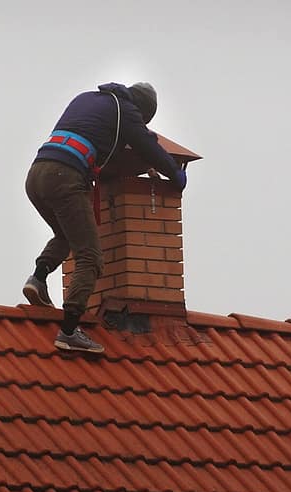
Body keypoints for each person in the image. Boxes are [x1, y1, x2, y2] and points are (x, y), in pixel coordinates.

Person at [23, 82, 187, 353]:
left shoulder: (88, 99)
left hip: (37, 175)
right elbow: (147, 145)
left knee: (67, 235)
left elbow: (99, 142)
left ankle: (38, 280)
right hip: (65, 178)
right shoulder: (125, 110)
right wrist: (175, 174)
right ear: (142, 110)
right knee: (90, 256)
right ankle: (68, 331)